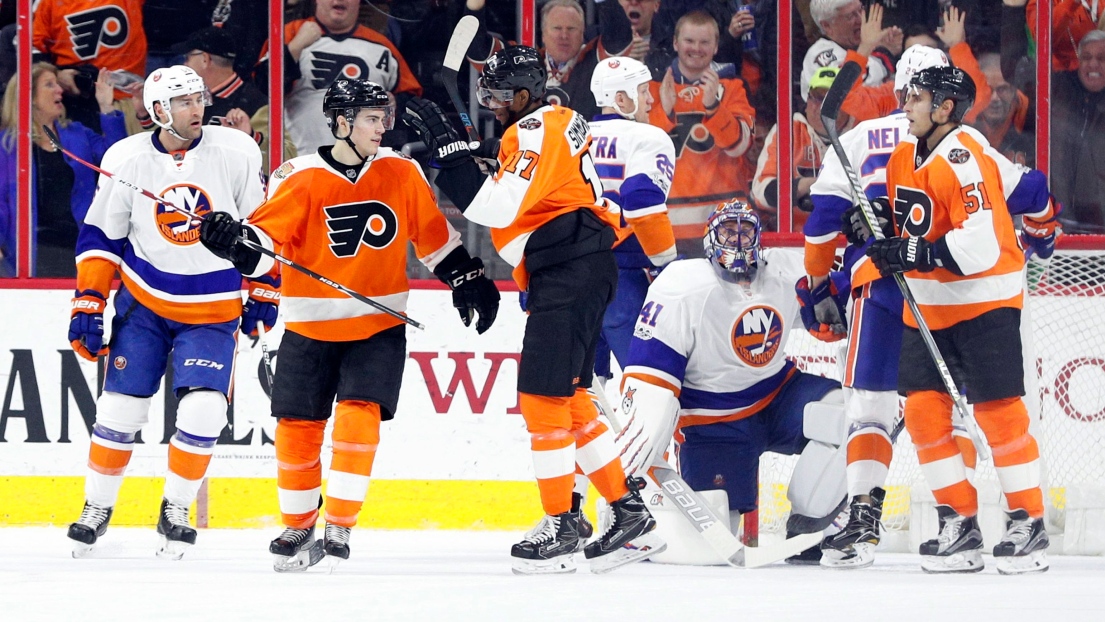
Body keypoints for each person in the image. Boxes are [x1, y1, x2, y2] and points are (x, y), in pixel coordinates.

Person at [198, 77, 500, 571]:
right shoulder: (298, 176)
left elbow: (433, 239)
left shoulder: (402, 171)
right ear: (341, 122)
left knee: (360, 417)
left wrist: (466, 276)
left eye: (384, 117)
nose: (384, 126)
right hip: (308, 327)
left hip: (378, 324)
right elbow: (262, 253)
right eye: (372, 118)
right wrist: (230, 241)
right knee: (297, 428)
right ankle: (297, 527)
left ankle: (338, 522)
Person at [402, 45, 664, 575]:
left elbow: (494, 206)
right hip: (577, 265)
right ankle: (627, 510)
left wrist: (452, 157)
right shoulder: (552, 122)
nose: (495, 106)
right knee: (568, 398)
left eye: (501, 98)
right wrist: (471, 154)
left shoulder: (532, 130)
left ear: (524, 95)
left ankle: (562, 525)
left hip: (569, 267)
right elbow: (520, 184)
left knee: (542, 398)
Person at [804, 54, 1058, 570]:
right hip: (929, 306)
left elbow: (980, 244)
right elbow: (907, 219)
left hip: (983, 303)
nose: (904, 105)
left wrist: (916, 253)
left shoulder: (965, 156)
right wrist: (871, 224)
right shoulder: (903, 155)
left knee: (997, 414)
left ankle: (1027, 522)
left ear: (945, 108)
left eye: (915, 98)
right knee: (921, 413)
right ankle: (959, 524)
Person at [65, 65, 267, 560]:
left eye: (199, 99)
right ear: (158, 111)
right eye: (184, 102)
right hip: (145, 304)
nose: (197, 109)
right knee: (120, 409)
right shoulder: (126, 158)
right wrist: (89, 300)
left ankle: (175, 509)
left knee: (203, 409)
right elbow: (102, 236)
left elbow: (265, 226)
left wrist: (265, 287)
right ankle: (96, 508)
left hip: (213, 305)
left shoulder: (236, 150)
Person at [612, 200, 849, 558]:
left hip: (779, 398)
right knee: (711, 548)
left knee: (852, 418)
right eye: (728, 231)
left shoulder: (786, 270)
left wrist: (841, 305)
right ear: (711, 238)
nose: (737, 241)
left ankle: (809, 527)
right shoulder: (682, 284)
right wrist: (649, 426)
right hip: (713, 423)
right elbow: (650, 374)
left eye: (745, 231)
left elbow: (847, 292)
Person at [588, 55, 677, 384]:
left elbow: (540, 207)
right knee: (650, 388)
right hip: (627, 281)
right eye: (643, 91)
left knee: (584, 398)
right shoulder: (648, 138)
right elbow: (641, 202)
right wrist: (667, 269)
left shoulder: (567, 136)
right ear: (621, 99)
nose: (652, 98)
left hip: (569, 280)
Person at [0, 63, 126, 277]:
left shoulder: (76, 133)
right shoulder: (7, 145)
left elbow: (119, 161)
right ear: (29, 97)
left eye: (57, 84)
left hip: (80, 246)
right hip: (30, 253)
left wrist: (106, 107)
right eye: (49, 85)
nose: (59, 90)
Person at [255, 0, 422, 156]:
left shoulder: (383, 47)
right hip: (301, 163)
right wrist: (296, 46)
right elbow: (263, 86)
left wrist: (396, 103)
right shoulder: (289, 34)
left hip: (363, 168)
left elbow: (413, 102)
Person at [648, 10, 755, 252]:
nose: (696, 48)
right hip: (668, 228)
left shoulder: (733, 88)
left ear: (716, 46)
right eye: (689, 41)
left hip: (728, 225)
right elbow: (642, 154)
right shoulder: (653, 89)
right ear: (675, 43)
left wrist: (713, 107)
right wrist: (663, 111)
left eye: (705, 42)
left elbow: (739, 147)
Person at [462, 0, 633, 120]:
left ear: (583, 34)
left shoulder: (597, 60)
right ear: (543, 34)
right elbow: (477, 49)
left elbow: (619, 34)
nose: (564, 35)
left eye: (571, 29)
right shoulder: (524, 63)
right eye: (557, 28)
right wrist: (475, 5)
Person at [752, 66, 850, 231]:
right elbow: (761, 192)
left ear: (849, 105)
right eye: (818, 98)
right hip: (797, 240)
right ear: (806, 103)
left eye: (833, 99)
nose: (823, 106)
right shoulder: (788, 131)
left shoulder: (862, 132)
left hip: (848, 241)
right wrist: (805, 185)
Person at [32, 0, 147, 133]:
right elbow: (32, 47)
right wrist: (56, 74)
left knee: (139, 151)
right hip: (77, 103)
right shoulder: (48, 4)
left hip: (129, 100)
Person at [1050, 30, 1105, 234]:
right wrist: (1012, 8)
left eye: (1102, 58)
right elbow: (1017, 72)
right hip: (1063, 226)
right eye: (1087, 57)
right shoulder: (1060, 89)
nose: (1093, 64)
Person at [800, 0, 897, 103]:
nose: (860, 19)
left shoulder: (857, 45)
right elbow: (851, 92)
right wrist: (882, 52)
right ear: (826, 25)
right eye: (850, 16)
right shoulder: (821, 55)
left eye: (861, 10)